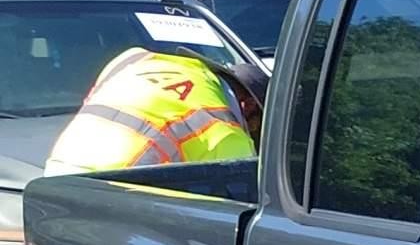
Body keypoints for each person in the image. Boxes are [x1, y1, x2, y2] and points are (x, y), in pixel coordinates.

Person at [45, 44, 260, 176]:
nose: (251, 131)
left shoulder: (135, 59)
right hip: (117, 190)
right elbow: (231, 202)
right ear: (247, 105)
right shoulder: (225, 130)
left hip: (60, 171)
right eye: (255, 125)